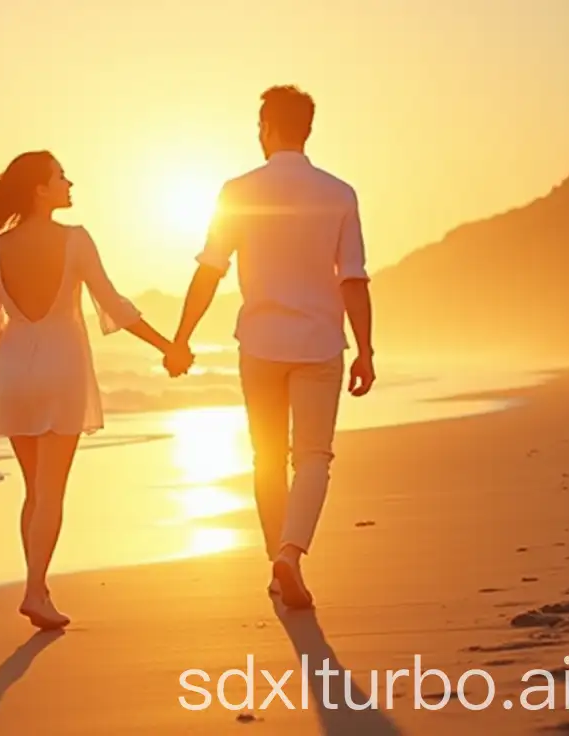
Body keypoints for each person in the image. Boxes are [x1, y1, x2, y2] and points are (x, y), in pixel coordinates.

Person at [0, 151, 185, 629]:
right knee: (51, 493)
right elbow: (112, 306)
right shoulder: (75, 240)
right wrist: (168, 347)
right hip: (62, 371)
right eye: (61, 177)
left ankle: (39, 586)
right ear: (40, 189)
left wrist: (0, 317)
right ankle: (35, 591)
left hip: (11, 374)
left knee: (35, 492)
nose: (70, 183)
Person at [163, 85, 376, 610]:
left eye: (261, 126)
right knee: (313, 457)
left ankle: (278, 563)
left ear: (273, 129)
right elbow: (352, 278)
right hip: (320, 342)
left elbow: (210, 269)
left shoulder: (237, 191)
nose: (259, 135)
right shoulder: (339, 193)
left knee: (265, 456)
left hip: (259, 343)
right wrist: (366, 350)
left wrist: (182, 337)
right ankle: (290, 556)